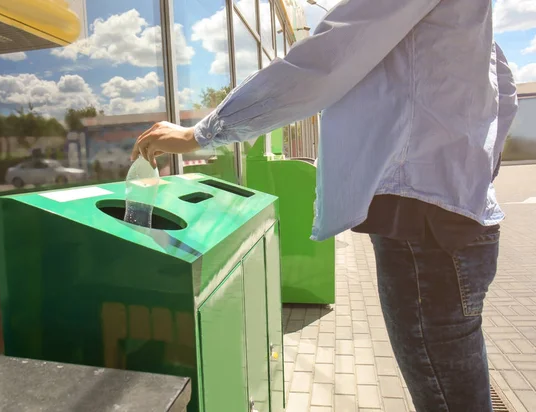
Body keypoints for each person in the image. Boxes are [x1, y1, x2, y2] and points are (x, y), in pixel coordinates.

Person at [132, 1, 518, 411]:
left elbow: (324, 65)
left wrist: (200, 134)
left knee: (444, 398)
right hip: (455, 218)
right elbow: (504, 91)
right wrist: (470, 175)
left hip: (420, 224)